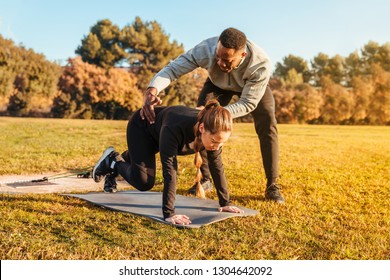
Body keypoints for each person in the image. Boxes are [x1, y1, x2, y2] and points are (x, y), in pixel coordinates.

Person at [140, 27, 285, 203]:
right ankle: (206, 178)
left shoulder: (260, 64)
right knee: (200, 122)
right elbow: (173, 69)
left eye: (226, 59)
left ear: (242, 56)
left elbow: (248, 103)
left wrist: (214, 113)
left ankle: (272, 185)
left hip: (251, 89)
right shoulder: (205, 49)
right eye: (218, 56)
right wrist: (153, 88)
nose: (220, 62)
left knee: (268, 123)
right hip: (217, 84)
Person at [92, 100, 243, 225]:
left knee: (139, 161)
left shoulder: (213, 131)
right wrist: (169, 213)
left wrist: (225, 203)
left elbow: (217, 167)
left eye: (221, 143)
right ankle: (113, 160)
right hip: (142, 128)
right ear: (202, 128)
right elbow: (170, 171)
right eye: (214, 141)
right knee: (144, 182)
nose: (216, 147)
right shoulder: (175, 129)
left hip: (159, 132)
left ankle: (123, 161)